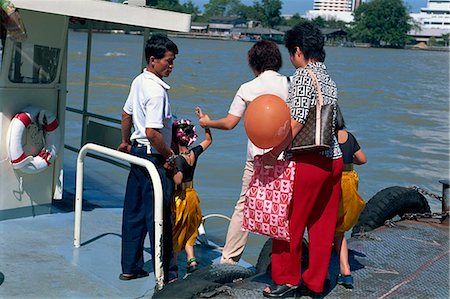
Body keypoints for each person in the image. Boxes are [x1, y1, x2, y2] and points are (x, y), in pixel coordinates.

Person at [261, 22, 343, 298]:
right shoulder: (329, 79)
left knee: (287, 222)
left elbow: (296, 120)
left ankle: (286, 279)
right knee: (322, 226)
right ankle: (315, 283)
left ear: (297, 51)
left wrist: (274, 152)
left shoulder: (303, 76)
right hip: (333, 160)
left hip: (308, 161)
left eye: (291, 53)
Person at [197, 40, 290, 264]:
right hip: (286, 154)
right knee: (287, 206)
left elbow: (230, 123)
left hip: (256, 157)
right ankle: (285, 261)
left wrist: (208, 121)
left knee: (244, 205)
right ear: (277, 61)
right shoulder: (291, 83)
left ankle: (229, 259)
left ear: (253, 63)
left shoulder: (247, 88)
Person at [117, 33, 178, 283]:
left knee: (133, 213)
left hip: (138, 156)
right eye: (168, 61)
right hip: (153, 159)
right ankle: (168, 275)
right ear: (153, 60)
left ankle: (129, 267)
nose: (171, 66)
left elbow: (125, 115)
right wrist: (170, 155)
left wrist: (125, 141)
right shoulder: (156, 92)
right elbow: (153, 132)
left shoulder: (139, 81)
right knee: (159, 216)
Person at [171, 110, 212, 274]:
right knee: (190, 229)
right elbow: (209, 140)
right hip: (193, 195)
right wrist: (205, 123)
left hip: (180, 198)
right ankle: (191, 260)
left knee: (176, 230)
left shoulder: (178, 159)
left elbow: (178, 180)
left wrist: (171, 167)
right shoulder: (193, 152)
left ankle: (172, 264)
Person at [333, 106, 367, 289]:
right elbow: (363, 159)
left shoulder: (325, 139)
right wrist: (348, 160)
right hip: (348, 183)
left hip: (333, 183)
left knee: (325, 229)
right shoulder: (349, 137)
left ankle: (321, 272)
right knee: (339, 231)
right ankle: (346, 270)